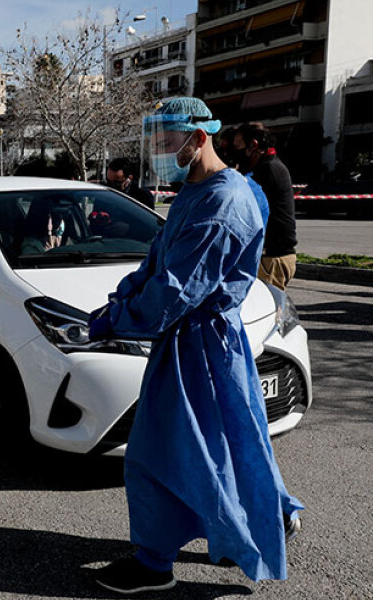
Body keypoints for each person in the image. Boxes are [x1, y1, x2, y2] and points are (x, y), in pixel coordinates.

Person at [87, 98, 302, 595]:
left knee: (160, 454)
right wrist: (122, 296)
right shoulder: (196, 190)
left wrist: (120, 318)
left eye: (167, 143)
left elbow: (177, 290)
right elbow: (159, 259)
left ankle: (154, 565)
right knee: (228, 445)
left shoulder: (225, 203)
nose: (160, 154)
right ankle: (261, 520)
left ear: (199, 137)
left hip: (201, 344)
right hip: (197, 342)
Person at [234, 123, 298, 290]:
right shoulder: (270, 165)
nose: (236, 154)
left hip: (271, 259)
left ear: (253, 146)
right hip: (273, 257)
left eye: (238, 147)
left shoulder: (267, 171)